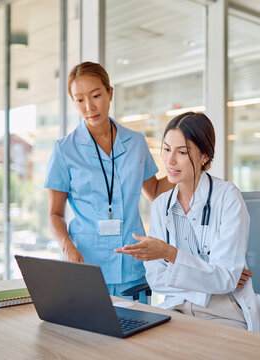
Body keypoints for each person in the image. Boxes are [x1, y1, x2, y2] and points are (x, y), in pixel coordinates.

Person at [115, 112, 260, 331]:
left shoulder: (227, 197)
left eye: (182, 152)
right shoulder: (160, 205)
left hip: (223, 312)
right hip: (176, 310)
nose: (170, 161)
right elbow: (156, 280)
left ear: (204, 156)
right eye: (166, 149)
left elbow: (224, 279)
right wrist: (209, 277)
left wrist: (170, 255)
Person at [45, 61, 173, 302]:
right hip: (86, 263)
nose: (89, 107)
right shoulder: (64, 150)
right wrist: (66, 246)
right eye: (79, 100)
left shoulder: (135, 142)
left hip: (132, 261)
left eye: (96, 95)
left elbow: (154, 191)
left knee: (136, 333)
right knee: (89, 336)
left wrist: (185, 170)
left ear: (110, 93)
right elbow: (55, 214)